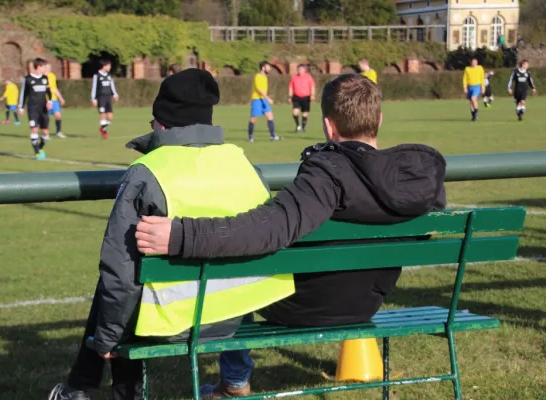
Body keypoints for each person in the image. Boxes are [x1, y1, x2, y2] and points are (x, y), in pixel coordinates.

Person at [134, 74, 447, 399]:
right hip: (366, 303)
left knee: (237, 264)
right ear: (379, 120)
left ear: (328, 126)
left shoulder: (327, 173)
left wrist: (182, 236)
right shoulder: (414, 179)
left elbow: (268, 229)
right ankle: (234, 383)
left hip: (302, 307)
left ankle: (235, 383)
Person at [48, 69, 295, 400]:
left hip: (173, 321)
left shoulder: (147, 173)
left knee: (123, 282)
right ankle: (80, 385)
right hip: (237, 317)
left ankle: (94, 389)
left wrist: (106, 339)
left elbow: (120, 276)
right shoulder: (245, 165)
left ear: (161, 123)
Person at [18, 58, 53, 160]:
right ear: (38, 67)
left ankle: (40, 147)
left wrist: (49, 102)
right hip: (32, 109)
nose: (45, 68)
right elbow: (23, 94)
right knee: (34, 129)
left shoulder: (45, 78)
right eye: (43, 66)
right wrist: (21, 107)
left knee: (45, 132)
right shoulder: (28, 79)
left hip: (43, 109)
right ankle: (37, 152)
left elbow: (49, 92)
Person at [249, 61, 280, 142]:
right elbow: (259, 89)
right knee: (254, 118)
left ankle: (273, 136)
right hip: (257, 99)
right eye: (268, 67)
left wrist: (265, 98)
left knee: (270, 116)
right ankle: (250, 136)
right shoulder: (257, 76)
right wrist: (268, 98)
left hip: (263, 99)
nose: (269, 68)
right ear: (263, 68)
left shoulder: (265, 77)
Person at [91, 59, 119, 139]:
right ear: (104, 66)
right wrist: (93, 99)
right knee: (102, 114)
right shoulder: (97, 75)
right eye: (109, 66)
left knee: (110, 117)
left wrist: (115, 94)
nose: (110, 67)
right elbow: (94, 88)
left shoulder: (109, 75)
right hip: (100, 98)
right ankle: (104, 131)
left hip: (108, 97)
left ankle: (102, 126)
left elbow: (112, 86)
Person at [288, 64, 315, 133]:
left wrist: (312, 95)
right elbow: (291, 87)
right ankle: (298, 125)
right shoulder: (294, 77)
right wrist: (290, 96)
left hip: (306, 97)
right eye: (299, 69)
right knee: (295, 112)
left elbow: (312, 86)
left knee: (304, 113)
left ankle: (303, 127)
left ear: (304, 70)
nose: (300, 71)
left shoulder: (308, 77)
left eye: (301, 69)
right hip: (296, 97)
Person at [46, 62, 67, 138]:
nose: (49, 69)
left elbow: (54, 88)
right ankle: (46, 133)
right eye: (47, 68)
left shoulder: (52, 76)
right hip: (46, 100)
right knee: (46, 117)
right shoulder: (41, 77)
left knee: (58, 115)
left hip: (54, 100)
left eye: (49, 68)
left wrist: (60, 98)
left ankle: (58, 132)